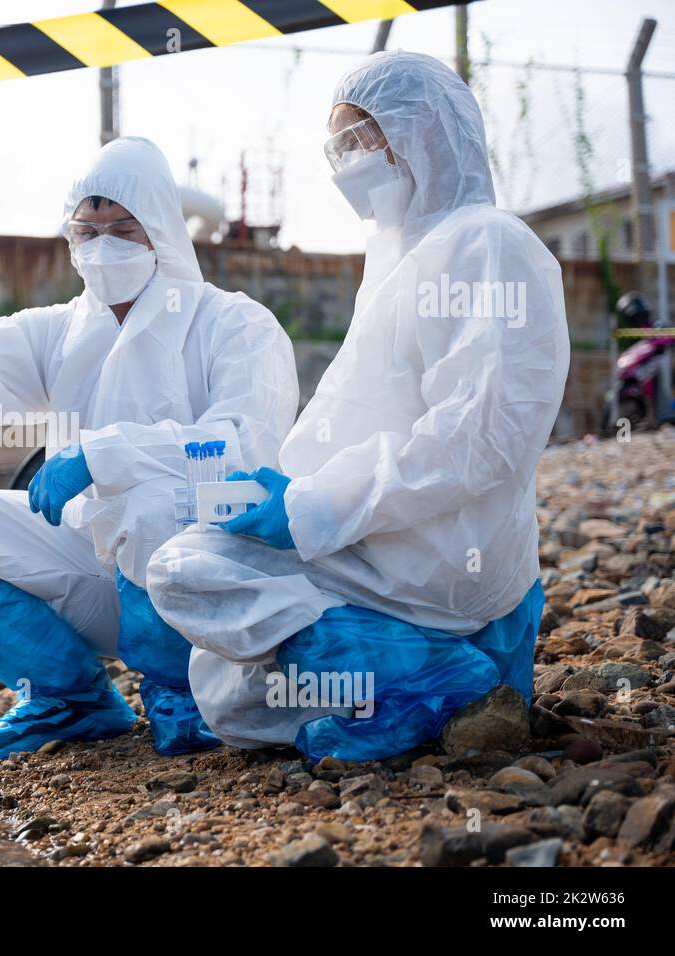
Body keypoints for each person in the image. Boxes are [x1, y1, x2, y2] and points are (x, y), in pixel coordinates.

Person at [145, 51, 570, 761]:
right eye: (336, 146)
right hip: (379, 531)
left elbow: (482, 437)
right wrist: (286, 493)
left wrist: (312, 507)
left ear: (421, 131)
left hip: (435, 547)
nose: (344, 165)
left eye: (357, 140)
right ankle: (434, 682)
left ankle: (432, 674)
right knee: (229, 698)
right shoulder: (403, 255)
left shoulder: (486, 242)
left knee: (183, 570)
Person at [0, 136, 299, 763]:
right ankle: (70, 700)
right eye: (88, 228)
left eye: (123, 228)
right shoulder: (59, 331)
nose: (103, 245)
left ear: (160, 228)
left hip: (208, 582)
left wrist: (102, 455)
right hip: (101, 574)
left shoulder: (233, 323)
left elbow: (240, 444)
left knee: (150, 504)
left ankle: (184, 692)